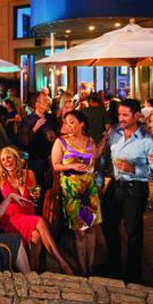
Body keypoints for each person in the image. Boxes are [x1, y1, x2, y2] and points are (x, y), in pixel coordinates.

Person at [0, 147, 73, 274]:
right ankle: (62, 263)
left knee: (36, 237)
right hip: (12, 218)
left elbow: (35, 196)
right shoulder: (0, 177)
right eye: (3, 159)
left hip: (28, 214)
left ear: (16, 158)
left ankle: (32, 270)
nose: (7, 162)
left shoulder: (29, 174)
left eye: (9, 157)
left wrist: (34, 193)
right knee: (39, 221)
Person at [99, 99, 153, 283]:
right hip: (115, 185)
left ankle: (133, 273)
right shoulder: (114, 133)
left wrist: (134, 169)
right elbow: (103, 158)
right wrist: (100, 182)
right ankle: (113, 265)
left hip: (135, 188)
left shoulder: (147, 139)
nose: (121, 119)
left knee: (133, 232)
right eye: (119, 114)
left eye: (125, 115)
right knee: (108, 226)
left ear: (136, 116)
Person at [51, 110, 102, 277]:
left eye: (72, 122)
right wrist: (71, 166)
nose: (68, 126)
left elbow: (96, 157)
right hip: (72, 190)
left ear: (82, 124)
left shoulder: (89, 141)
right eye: (66, 123)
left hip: (89, 189)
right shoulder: (61, 142)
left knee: (92, 229)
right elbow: (56, 165)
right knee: (79, 230)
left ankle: (92, 264)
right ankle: (83, 269)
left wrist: (106, 141)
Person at [18, 94, 59, 205]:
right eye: (44, 101)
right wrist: (35, 128)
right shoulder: (28, 120)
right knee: (37, 190)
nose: (48, 102)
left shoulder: (51, 118)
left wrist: (54, 137)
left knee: (50, 190)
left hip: (50, 161)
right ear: (37, 104)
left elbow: (57, 136)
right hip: (35, 162)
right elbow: (23, 142)